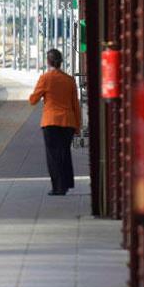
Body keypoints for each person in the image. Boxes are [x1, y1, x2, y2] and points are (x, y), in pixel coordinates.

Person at [28, 49, 82, 196]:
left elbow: (33, 100)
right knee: (64, 153)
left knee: (53, 156)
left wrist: (36, 94)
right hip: (68, 122)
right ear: (61, 62)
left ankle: (57, 187)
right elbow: (75, 105)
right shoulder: (69, 80)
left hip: (50, 122)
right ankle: (65, 184)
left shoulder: (45, 78)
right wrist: (78, 125)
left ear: (48, 61)